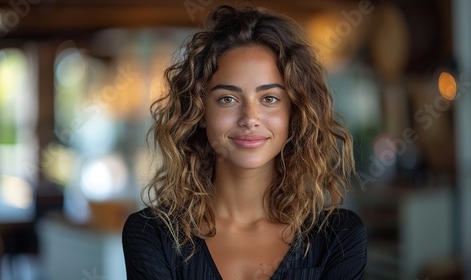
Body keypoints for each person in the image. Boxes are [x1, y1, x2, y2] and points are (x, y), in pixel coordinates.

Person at [122, 5, 367, 280]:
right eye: (228, 99)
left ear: (293, 113)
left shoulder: (338, 237)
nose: (250, 118)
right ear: (200, 112)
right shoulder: (151, 234)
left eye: (269, 99)